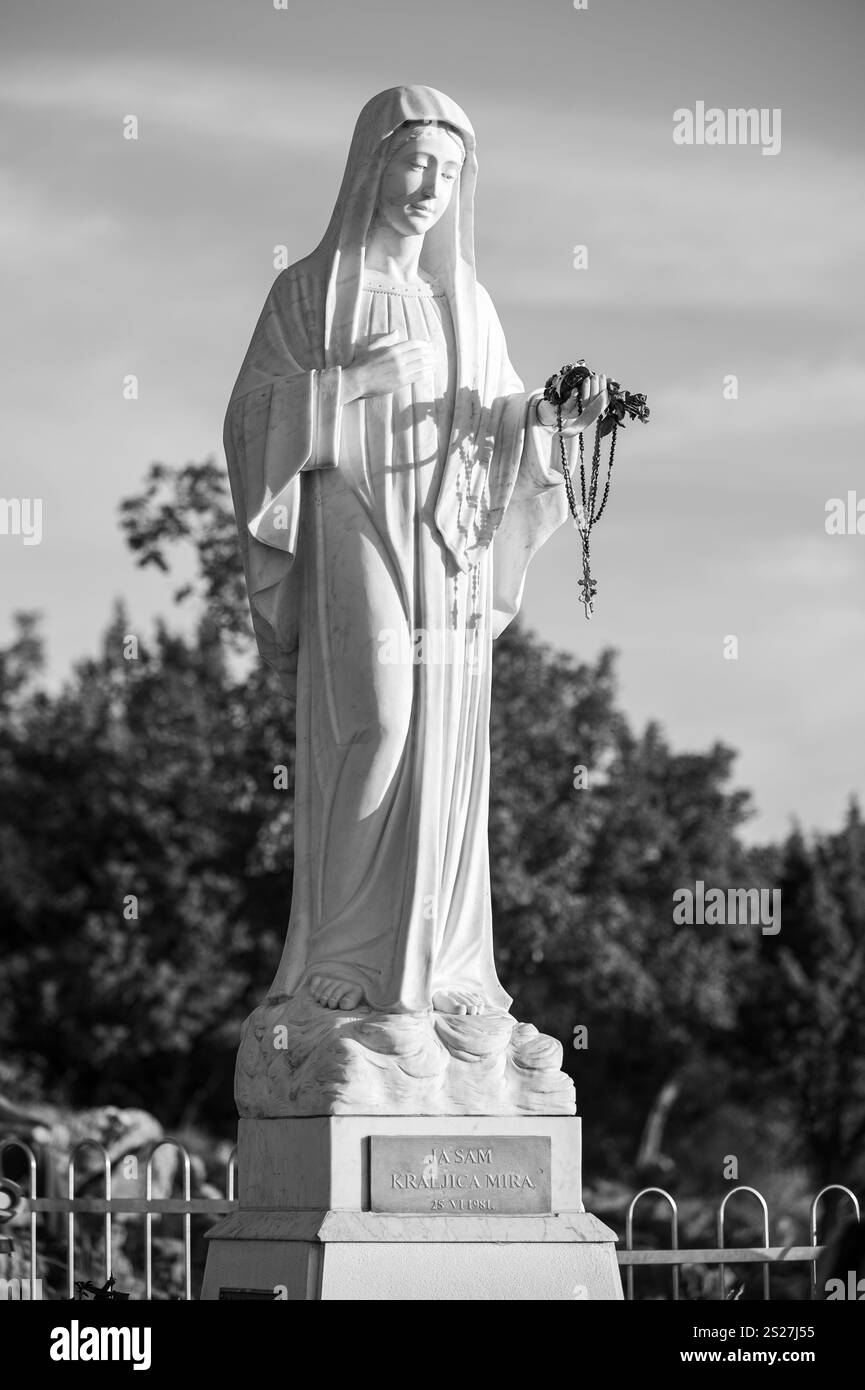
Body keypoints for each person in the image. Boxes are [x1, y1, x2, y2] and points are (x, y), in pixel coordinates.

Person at [225, 85, 606, 1020]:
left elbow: (502, 417)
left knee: (445, 742)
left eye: (447, 170)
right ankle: (342, 962)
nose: (428, 186)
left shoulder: (464, 303)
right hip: (353, 516)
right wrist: (348, 385)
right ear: (372, 166)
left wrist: (553, 416)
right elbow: (248, 420)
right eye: (412, 163)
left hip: (449, 542)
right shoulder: (308, 292)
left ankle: (441, 969)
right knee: (382, 723)